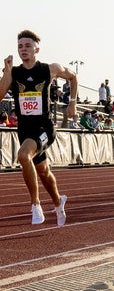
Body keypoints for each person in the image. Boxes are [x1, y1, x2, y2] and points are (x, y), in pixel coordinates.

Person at [0, 29, 77, 226]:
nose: (23, 49)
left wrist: (72, 103)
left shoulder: (49, 69)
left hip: (44, 128)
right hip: (25, 129)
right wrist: (6, 72)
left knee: (23, 155)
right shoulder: (14, 73)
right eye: (20, 46)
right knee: (43, 171)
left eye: (27, 46)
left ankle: (35, 205)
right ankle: (59, 202)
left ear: (37, 49)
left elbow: (73, 76)